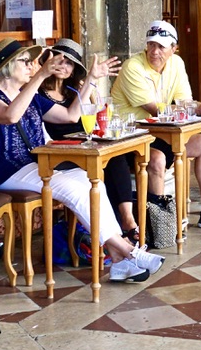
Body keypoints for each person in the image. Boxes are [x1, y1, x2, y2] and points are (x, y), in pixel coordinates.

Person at [0, 37, 164, 282]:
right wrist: (40, 77)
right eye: (25, 61)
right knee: (73, 190)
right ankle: (128, 251)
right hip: (5, 172)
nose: (30, 66)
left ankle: (118, 260)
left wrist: (91, 81)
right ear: (7, 66)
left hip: (34, 165)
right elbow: (10, 116)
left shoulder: (28, 93)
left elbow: (71, 114)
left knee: (90, 182)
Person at [110, 20, 201, 230]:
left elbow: (185, 103)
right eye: (151, 45)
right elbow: (155, 110)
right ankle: (158, 224)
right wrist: (200, 108)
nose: (154, 51)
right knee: (157, 158)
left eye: (161, 47)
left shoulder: (177, 64)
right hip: (130, 138)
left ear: (174, 48)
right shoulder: (132, 67)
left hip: (160, 135)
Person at [39, 38, 142, 245]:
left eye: (69, 63)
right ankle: (120, 229)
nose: (63, 66)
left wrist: (89, 88)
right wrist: (90, 81)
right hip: (62, 151)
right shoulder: (38, 94)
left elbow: (97, 114)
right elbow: (71, 117)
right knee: (107, 164)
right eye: (60, 60)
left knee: (116, 156)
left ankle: (127, 221)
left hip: (88, 144)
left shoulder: (75, 90)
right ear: (48, 61)